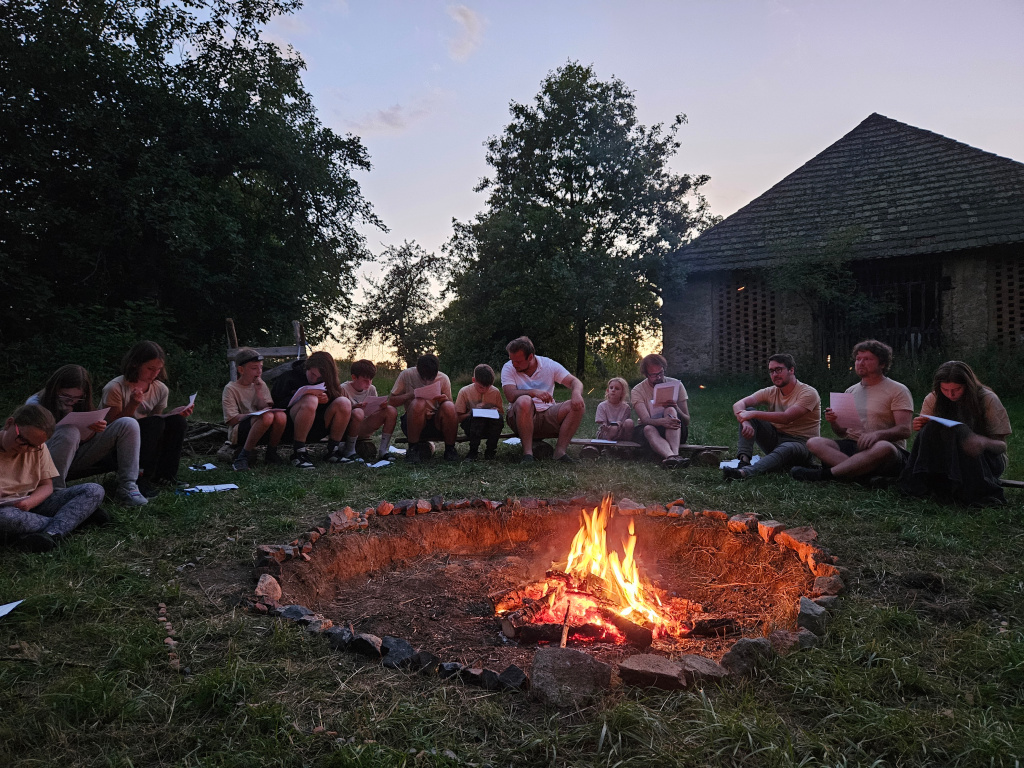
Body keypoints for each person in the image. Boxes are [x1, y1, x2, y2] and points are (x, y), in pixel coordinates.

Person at [792, 340, 913, 483]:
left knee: (883, 447)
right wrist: (834, 422)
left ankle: (825, 475)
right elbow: (842, 433)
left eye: (867, 359)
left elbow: (905, 430)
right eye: (858, 359)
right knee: (814, 442)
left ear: (882, 364)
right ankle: (864, 477)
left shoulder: (898, 390)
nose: (860, 363)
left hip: (884, 450)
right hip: (854, 446)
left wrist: (878, 435)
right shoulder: (850, 391)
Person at [27, 364, 147, 506]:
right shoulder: (35, 404)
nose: (71, 401)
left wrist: (93, 429)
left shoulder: (80, 403)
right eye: (66, 396)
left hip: (76, 456)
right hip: (44, 462)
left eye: (77, 398)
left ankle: (128, 487)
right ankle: (55, 492)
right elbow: (30, 444)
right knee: (69, 431)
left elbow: (84, 439)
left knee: (128, 423)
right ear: (55, 389)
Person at [899, 361, 1011, 506]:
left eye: (957, 389)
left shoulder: (987, 399)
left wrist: (983, 442)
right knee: (932, 427)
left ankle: (972, 491)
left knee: (959, 431)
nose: (950, 394)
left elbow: (1001, 446)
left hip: (983, 460)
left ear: (968, 385)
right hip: (945, 459)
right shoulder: (934, 398)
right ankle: (923, 484)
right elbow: (927, 441)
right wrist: (921, 426)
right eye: (945, 389)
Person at [1, 404, 106, 552]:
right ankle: (74, 520)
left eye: (33, 446)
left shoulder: (39, 448)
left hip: (32, 504)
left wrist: (29, 503)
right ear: (9, 423)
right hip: (6, 511)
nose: (25, 449)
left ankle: (50, 533)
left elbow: (47, 485)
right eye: (22, 440)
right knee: (4, 518)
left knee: (94, 490)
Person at [102, 341, 194, 496]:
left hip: (147, 435)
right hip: (117, 443)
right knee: (154, 424)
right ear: (135, 364)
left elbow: (157, 419)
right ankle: (139, 478)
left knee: (177, 422)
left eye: (158, 369)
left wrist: (173, 414)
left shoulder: (160, 389)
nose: (154, 373)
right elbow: (114, 425)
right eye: (150, 369)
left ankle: (166, 475)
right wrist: (132, 404)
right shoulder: (115, 388)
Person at [723, 354, 821, 481]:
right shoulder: (771, 391)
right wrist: (745, 421)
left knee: (787, 447)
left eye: (778, 370)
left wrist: (753, 414)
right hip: (776, 438)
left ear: (791, 370)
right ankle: (743, 462)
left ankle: (743, 473)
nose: (774, 374)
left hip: (802, 444)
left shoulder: (808, 393)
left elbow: (786, 417)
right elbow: (739, 404)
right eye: (771, 371)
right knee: (749, 411)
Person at [501, 337, 585, 463]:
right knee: (525, 400)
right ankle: (528, 454)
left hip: (547, 413)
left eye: (517, 361)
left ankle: (560, 452)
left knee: (578, 405)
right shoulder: (508, 368)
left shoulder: (548, 365)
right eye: (511, 360)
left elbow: (575, 381)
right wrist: (533, 392)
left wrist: (576, 394)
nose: (514, 364)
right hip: (520, 416)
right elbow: (510, 395)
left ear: (530, 357)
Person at [271, 351, 353, 468]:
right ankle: (299, 452)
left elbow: (336, 397)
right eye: (312, 374)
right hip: (292, 425)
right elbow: (276, 404)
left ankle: (333, 451)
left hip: (319, 425)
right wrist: (299, 397)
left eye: (319, 378)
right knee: (310, 399)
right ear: (307, 367)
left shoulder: (329, 380)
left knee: (344, 402)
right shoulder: (289, 377)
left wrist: (327, 398)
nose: (314, 380)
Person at [222, 348, 288, 471]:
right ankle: (242, 457)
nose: (259, 372)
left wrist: (258, 392)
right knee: (267, 416)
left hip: (261, 427)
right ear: (241, 370)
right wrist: (254, 415)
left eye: (261, 367)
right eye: (254, 368)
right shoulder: (231, 389)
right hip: (240, 432)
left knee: (281, 416)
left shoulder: (260, 384)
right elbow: (231, 419)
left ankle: (271, 452)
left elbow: (265, 408)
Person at [388, 354, 458, 463]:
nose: (426, 382)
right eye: (423, 378)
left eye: (430, 379)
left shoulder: (443, 378)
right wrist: (410, 395)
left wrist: (444, 400)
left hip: (435, 423)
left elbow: (450, 411)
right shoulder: (407, 374)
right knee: (419, 402)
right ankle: (413, 449)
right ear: (417, 369)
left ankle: (450, 449)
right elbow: (391, 401)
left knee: (449, 406)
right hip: (413, 422)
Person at [630, 354, 690, 469]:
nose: (658, 377)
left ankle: (674, 455)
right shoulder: (638, 390)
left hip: (676, 431)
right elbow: (645, 419)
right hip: (650, 433)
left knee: (670, 409)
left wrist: (676, 408)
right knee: (648, 428)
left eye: (661, 373)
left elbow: (687, 420)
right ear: (646, 374)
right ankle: (672, 457)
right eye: (653, 375)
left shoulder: (677, 385)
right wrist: (662, 421)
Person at [340, 359, 398, 462]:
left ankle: (383, 451)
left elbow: (373, 411)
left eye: (371, 380)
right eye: (365, 380)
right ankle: (350, 450)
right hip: (347, 428)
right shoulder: (343, 389)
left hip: (364, 425)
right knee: (358, 412)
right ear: (354, 377)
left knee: (391, 410)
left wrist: (380, 407)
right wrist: (354, 407)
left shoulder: (371, 389)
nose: (369, 383)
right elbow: (339, 414)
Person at [454, 364, 505, 461]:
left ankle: (491, 450)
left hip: (489, 426)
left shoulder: (495, 392)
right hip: (471, 426)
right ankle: (473, 451)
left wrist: (496, 411)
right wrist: (472, 412)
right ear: (474, 380)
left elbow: (501, 413)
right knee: (478, 417)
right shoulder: (464, 392)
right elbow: (458, 418)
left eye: (488, 387)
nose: (484, 390)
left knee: (498, 419)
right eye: (481, 387)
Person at [595, 377, 634, 442]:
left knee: (629, 422)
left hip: (620, 432)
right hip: (606, 433)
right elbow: (602, 423)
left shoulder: (626, 407)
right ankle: (607, 446)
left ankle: (626, 445)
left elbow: (624, 424)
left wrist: (617, 426)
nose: (613, 390)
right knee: (613, 429)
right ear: (607, 390)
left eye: (617, 388)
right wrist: (604, 425)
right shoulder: (602, 406)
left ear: (622, 393)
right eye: (611, 388)